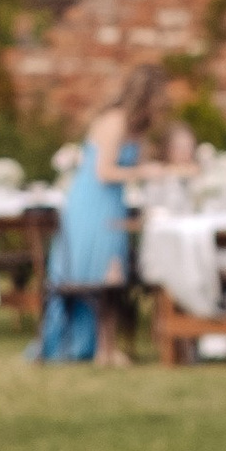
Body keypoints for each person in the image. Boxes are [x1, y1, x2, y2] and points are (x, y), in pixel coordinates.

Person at [38, 63, 188, 365]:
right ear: (146, 95)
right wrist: (143, 171)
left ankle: (105, 347)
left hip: (115, 204)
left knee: (114, 276)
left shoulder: (137, 128)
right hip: (91, 205)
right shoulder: (114, 121)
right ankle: (99, 348)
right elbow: (104, 172)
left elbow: (138, 167)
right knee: (104, 274)